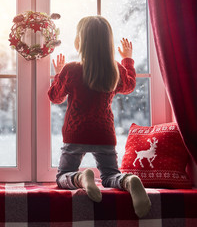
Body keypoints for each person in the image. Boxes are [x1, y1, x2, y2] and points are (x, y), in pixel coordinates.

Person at [48, 16, 151, 218]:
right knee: (110, 176)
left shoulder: (71, 70)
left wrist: (59, 73)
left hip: (76, 134)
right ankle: (129, 181)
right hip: (104, 133)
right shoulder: (114, 70)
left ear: (80, 41)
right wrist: (127, 59)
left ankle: (81, 178)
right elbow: (129, 86)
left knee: (62, 176)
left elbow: (55, 97)